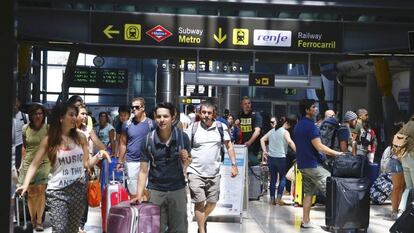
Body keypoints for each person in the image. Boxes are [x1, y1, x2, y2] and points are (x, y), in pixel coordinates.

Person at [16, 102, 111, 233]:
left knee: (72, 230)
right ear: (61, 118)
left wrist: (99, 155)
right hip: (58, 192)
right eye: (71, 115)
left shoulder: (81, 137)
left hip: (78, 190)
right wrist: (25, 184)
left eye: (75, 115)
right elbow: (34, 164)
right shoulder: (50, 140)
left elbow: (86, 164)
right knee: (60, 230)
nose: (75, 118)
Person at [132, 102, 191, 233]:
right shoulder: (148, 140)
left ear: (173, 117)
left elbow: (188, 163)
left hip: (178, 190)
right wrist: (139, 194)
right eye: (159, 116)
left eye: (166, 116)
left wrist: (186, 159)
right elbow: (143, 170)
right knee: (156, 229)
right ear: (154, 117)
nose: (162, 120)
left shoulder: (183, 138)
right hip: (155, 191)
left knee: (179, 229)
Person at [185, 101, 238, 233]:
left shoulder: (221, 127)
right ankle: (202, 230)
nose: (206, 115)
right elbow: (184, 149)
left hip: (214, 173)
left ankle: (202, 220)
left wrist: (234, 164)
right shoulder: (193, 128)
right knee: (199, 202)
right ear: (199, 113)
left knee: (212, 203)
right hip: (195, 171)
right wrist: (184, 167)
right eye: (204, 112)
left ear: (213, 114)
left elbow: (229, 146)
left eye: (209, 113)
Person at [293, 99, 343, 228]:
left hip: (303, 164)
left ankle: (306, 221)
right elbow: (319, 146)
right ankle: (336, 223)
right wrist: (338, 153)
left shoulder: (298, 125)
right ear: (307, 110)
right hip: (313, 165)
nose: (316, 109)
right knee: (333, 190)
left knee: (308, 193)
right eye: (313, 107)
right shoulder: (311, 126)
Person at [17, 103, 50, 231]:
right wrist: (21, 164)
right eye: (35, 113)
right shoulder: (25, 128)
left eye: (40, 113)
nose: (38, 116)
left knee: (41, 190)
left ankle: (40, 221)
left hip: (44, 162)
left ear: (43, 115)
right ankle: (33, 219)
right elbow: (24, 148)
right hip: (28, 162)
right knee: (31, 193)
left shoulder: (48, 128)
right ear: (31, 115)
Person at [76, 104, 108, 233]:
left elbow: (100, 145)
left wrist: (101, 154)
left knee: (84, 197)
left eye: (86, 114)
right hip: (70, 167)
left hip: (86, 166)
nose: (85, 116)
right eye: (82, 113)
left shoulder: (88, 130)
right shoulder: (69, 130)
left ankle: (81, 225)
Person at [117, 97, 154, 199]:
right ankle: (135, 213)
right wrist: (120, 161)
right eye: (132, 107)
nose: (134, 109)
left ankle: (145, 213)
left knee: (146, 190)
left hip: (147, 161)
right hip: (131, 161)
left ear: (143, 108)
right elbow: (123, 143)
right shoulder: (127, 125)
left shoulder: (151, 124)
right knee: (133, 191)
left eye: (137, 107)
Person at [260, 116, 296, 206]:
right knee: (283, 178)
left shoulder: (272, 131)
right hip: (281, 158)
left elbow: (262, 139)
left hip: (271, 158)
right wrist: (298, 151)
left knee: (273, 179)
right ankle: (279, 199)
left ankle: (272, 200)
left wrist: (265, 151)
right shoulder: (285, 132)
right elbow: (290, 142)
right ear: (287, 123)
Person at [382, 122, 405, 220]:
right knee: (397, 187)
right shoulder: (396, 137)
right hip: (396, 161)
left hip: (404, 162)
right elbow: (397, 151)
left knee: (401, 187)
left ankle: (399, 209)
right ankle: (394, 211)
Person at [238, 96, 262, 166]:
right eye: (245, 104)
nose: (247, 105)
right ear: (242, 105)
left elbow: (257, 131)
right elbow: (241, 129)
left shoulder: (256, 115)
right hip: (243, 147)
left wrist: (249, 142)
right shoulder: (240, 114)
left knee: (255, 166)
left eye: (249, 103)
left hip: (254, 148)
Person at [14, 98, 28, 172]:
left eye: (15, 102)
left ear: (18, 103)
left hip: (20, 147)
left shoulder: (25, 117)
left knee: (18, 170)